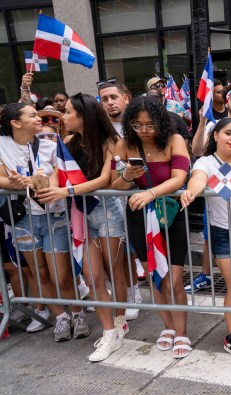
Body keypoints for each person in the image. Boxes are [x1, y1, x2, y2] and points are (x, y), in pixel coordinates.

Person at [36, 93, 127, 362]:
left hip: (107, 212)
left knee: (115, 273)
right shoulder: (66, 142)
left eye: (68, 112)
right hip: (79, 216)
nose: (63, 117)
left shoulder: (111, 141)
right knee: (93, 277)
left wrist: (66, 190)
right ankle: (109, 334)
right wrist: (47, 185)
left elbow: (104, 179)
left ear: (83, 115)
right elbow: (57, 174)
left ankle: (120, 323)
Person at [110, 96, 191, 358]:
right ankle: (168, 327)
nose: (144, 130)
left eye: (150, 125)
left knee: (174, 280)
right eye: (138, 125)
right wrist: (126, 176)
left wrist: (150, 193)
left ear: (161, 122)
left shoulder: (175, 140)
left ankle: (182, 332)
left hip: (171, 214)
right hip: (138, 216)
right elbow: (114, 184)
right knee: (155, 278)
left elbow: (179, 178)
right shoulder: (125, 144)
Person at [0, 103, 86, 343]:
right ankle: (60, 317)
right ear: (15, 123)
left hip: (54, 216)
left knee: (62, 275)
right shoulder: (1, 145)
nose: (38, 118)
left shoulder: (51, 146)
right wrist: (14, 182)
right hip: (22, 219)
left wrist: (34, 180)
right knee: (39, 273)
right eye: (32, 115)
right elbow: (2, 178)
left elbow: (57, 179)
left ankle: (78, 314)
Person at [181, 118, 231, 360]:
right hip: (223, 232)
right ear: (215, 135)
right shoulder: (206, 161)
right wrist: (191, 189)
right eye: (228, 133)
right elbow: (198, 178)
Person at [189, 81, 231, 294]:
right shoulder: (212, 127)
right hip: (219, 207)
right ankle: (207, 275)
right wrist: (202, 122)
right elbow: (198, 154)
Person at [98, 81, 143, 320]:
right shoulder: (102, 131)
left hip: (142, 196)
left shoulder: (140, 124)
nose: (109, 102)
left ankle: (141, 291)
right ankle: (131, 293)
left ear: (126, 97)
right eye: (104, 99)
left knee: (135, 250)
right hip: (112, 196)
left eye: (113, 97)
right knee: (120, 252)